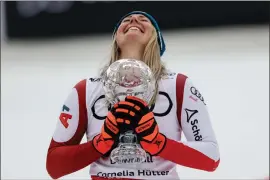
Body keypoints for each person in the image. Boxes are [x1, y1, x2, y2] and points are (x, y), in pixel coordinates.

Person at [46, 11, 220, 180]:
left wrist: (159, 143)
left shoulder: (178, 86)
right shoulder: (86, 89)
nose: (134, 19)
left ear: (157, 39)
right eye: (126, 20)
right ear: (115, 39)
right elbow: (54, 165)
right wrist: (99, 145)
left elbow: (211, 158)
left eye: (143, 19)